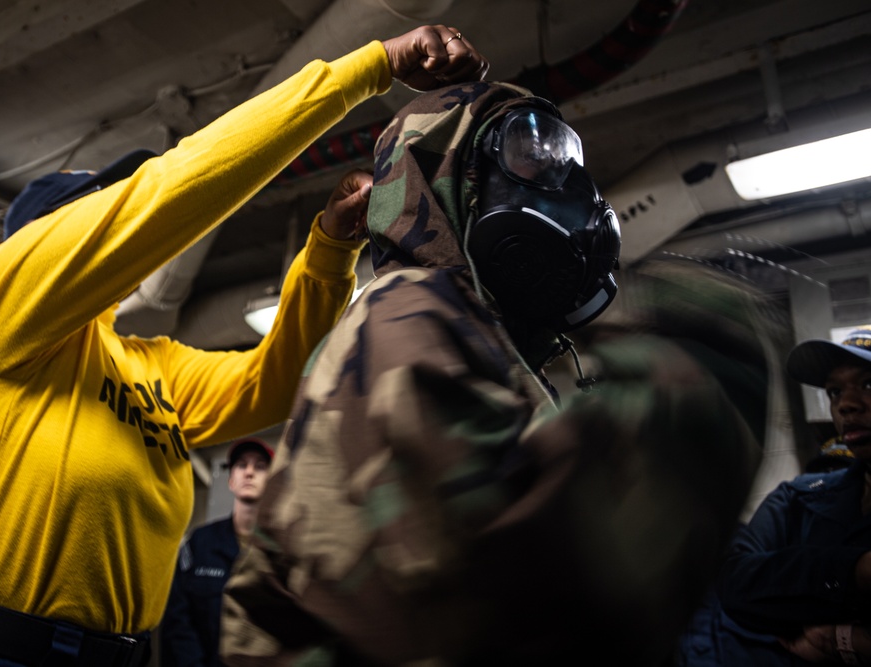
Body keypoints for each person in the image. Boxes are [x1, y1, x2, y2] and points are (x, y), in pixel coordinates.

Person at [0, 26, 489, 667]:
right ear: (48, 235)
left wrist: (331, 251)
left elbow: (275, 385)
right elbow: (167, 196)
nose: (124, 210)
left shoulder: (151, 363)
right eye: (105, 204)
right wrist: (371, 68)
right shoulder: (4, 304)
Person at [222, 81, 777, 665]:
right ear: (447, 181)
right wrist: (693, 377)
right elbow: (506, 593)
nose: (562, 187)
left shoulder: (480, 337)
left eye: (562, 162)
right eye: (528, 158)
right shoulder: (406, 311)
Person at [716, 326, 871, 665]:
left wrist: (839, 638)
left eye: (868, 384)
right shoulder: (798, 497)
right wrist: (857, 572)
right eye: (834, 392)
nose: (846, 404)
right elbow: (737, 584)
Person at [161, 438, 273, 667]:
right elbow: (177, 619)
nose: (249, 472)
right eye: (242, 465)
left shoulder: (281, 550)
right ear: (231, 481)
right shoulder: (201, 542)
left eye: (260, 466)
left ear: (271, 481)